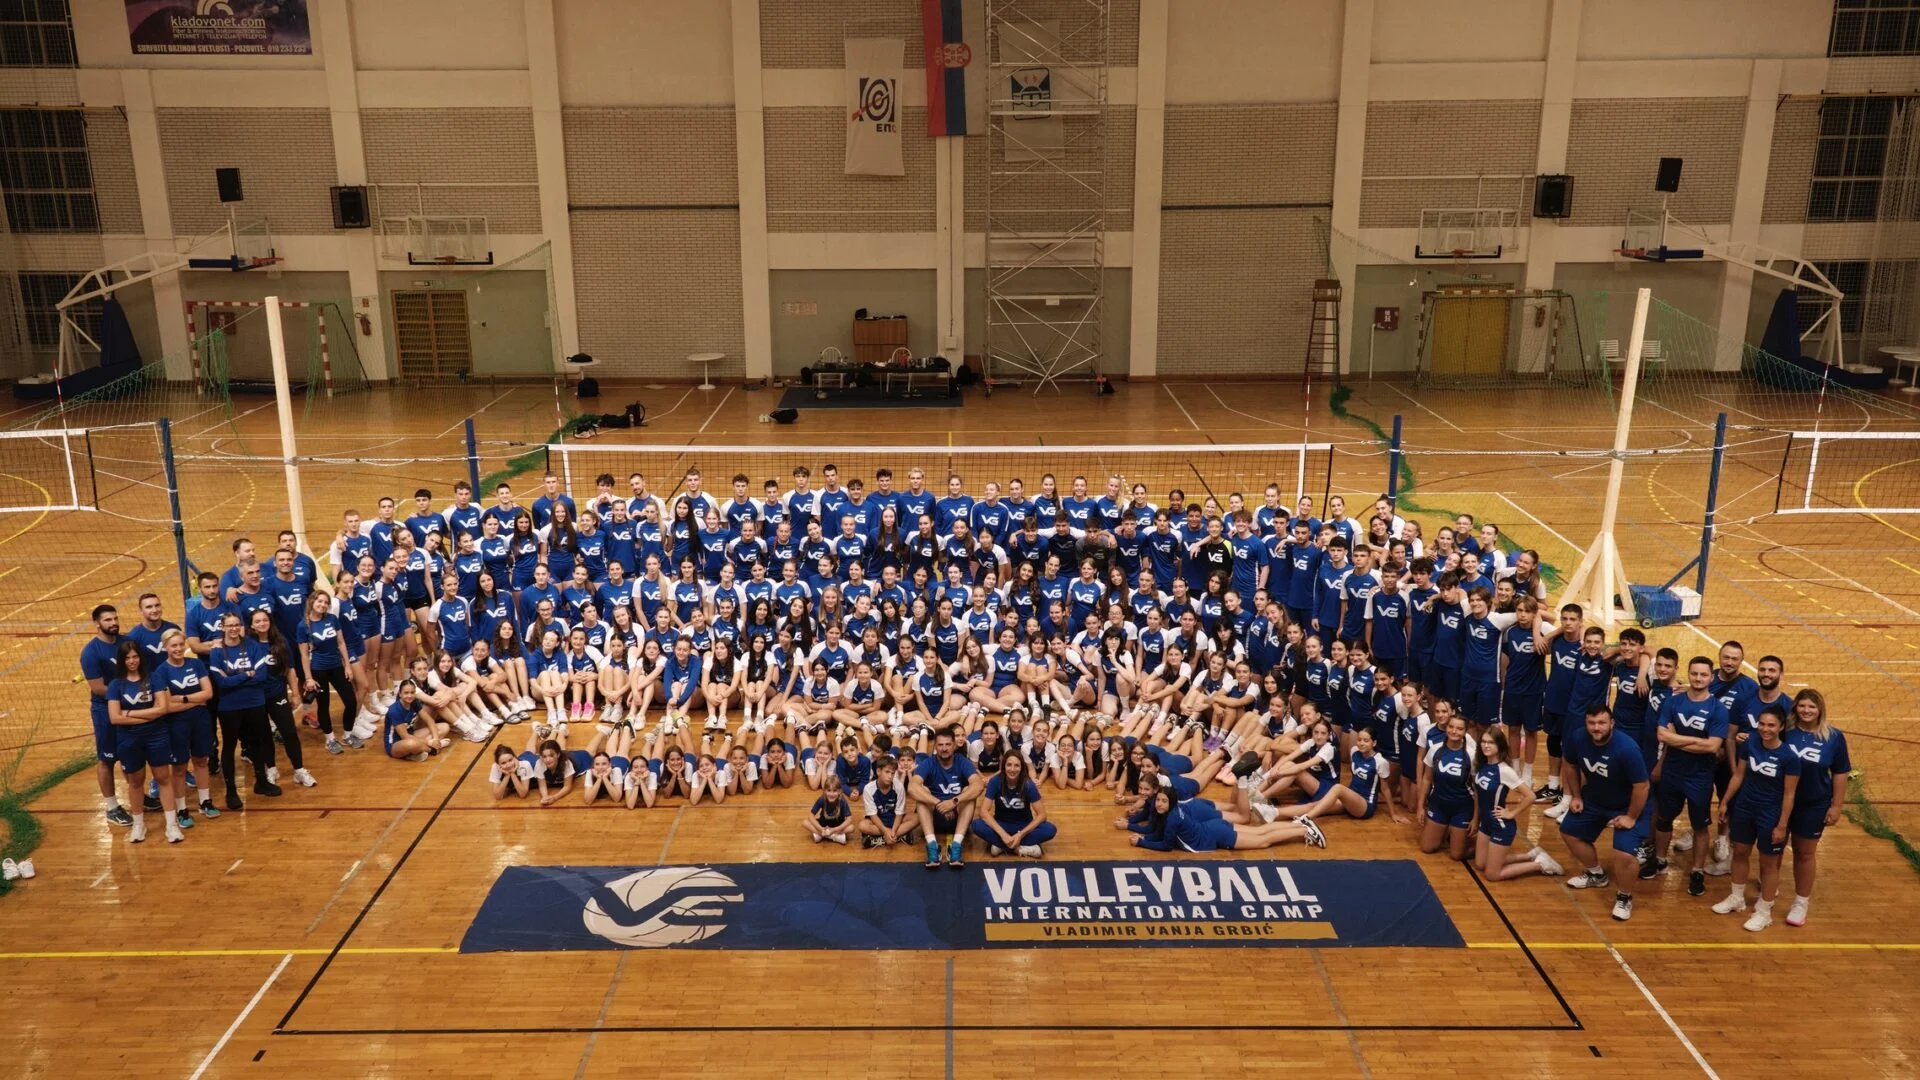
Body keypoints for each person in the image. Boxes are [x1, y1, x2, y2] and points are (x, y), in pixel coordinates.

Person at [1558, 706, 1652, 922]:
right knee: (1569, 832)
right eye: (1591, 723)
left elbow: (1642, 786)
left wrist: (1630, 817)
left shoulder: (1627, 748)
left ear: (1612, 723)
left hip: (1629, 805)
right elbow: (1570, 764)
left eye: (1601, 723)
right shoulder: (1578, 738)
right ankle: (1596, 874)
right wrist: (1576, 796)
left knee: (1625, 855)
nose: (1596, 728)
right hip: (1595, 799)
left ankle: (1624, 897)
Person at [1712, 705, 1801, 932]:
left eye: (1771, 725)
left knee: (1768, 864)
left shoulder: (1789, 758)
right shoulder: (1750, 744)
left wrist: (1782, 825)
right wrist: (1725, 802)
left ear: (1781, 727)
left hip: (1770, 814)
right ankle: (1737, 898)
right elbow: (1739, 775)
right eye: (1762, 724)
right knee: (1740, 852)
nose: (1765, 729)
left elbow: (1790, 794)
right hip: (1744, 808)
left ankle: (1764, 911)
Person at [1648, 656, 1729, 897]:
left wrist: (1678, 740)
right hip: (1672, 772)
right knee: (1663, 818)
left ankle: (1697, 870)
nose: (1698, 678)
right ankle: (1660, 860)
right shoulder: (1674, 702)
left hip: (1700, 777)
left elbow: (1712, 747)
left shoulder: (1718, 709)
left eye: (1703, 675)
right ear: (1689, 673)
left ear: (1711, 678)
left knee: (1700, 826)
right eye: (1694, 674)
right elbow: (1662, 735)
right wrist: (1697, 741)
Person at [1783, 688, 1849, 928]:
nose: (1806, 710)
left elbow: (1840, 773)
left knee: (1804, 853)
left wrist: (1836, 806)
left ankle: (1801, 902)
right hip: (1779, 802)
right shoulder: (1784, 732)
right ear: (1795, 708)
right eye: (1802, 706)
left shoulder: (1833, 737)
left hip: (1813, 804)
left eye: (1811, 707)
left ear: (1820, 709)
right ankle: (1767, 892)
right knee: (1773, 848)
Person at [106, 640, 180, 844]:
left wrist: (129, 712)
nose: (132, 661)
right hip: (129, 740)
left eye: (135, 656)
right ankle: (138, 825)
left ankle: (171, 825)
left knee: (163, 778)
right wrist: (150, 713)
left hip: (156, 736)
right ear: (122, 660)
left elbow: (163, 709)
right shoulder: (116, 685)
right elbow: (114, 718)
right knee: (135, 782)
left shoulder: (154, 678)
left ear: (141, 658)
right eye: (128, 657)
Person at [1473, 727, 1560, 880]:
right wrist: (1476, 818)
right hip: (1485, 823)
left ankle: (1540, 864)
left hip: (1500, 825)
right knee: (1480, 864)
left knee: (1492, 874)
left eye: (1490, 743)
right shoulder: (1482, 765)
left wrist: (1512, 813)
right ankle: (1530, 855)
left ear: (1499, 746)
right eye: (1484, 742)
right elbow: (1479, 797)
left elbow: (1530, 796)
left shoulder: (1505, 771)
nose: (1486, 746)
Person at [81, 604, 134, 826]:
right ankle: (112, 807)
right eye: (107, 620)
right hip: (105, 711)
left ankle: (137, 794)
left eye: (115, 618)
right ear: (97, 624)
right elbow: (98, 688)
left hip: (129, 706)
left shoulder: (125, 643)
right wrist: (126, 698)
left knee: (131, 754)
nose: (113, 623)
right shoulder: (91, 652)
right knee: (107, 759)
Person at [911, 726, 984, 868]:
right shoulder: (929, 763)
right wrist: (939, 803)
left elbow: (978, 785)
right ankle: (932, 846)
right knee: (921, 791)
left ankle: (955, 846)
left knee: (969, 790)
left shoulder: (962, 762)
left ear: (954, 745)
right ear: (935, 747)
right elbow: (912, 788)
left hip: (958, 817)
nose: (944, 748)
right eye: (940, 745)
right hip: (934, 817)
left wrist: (954, 801)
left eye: (948, 744)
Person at [972, 752, 1055, 857]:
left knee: (1050, 829)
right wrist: (1003, 835)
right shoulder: (995, 782)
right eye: (1009, 765)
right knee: (976, 825)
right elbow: (983, 812)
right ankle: (1022, 848)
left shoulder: (1028, 785)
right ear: (1004, 766)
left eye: (1016, 765)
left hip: (1023, 827)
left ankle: (1001, 846)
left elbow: (1042, 815)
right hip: (1001, 825)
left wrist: (1020, 835)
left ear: (1021, 768)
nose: (1012, 769)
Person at [806, 774, 856, 844]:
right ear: (825, 791)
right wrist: (821, 829)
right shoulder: (822, 799)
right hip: (823, 825)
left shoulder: (842, 801)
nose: (831, 794)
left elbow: (849, 819)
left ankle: (821, 835)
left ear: (839, 791)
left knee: (851, 828)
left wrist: (834, 830)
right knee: (805, 823)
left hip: (837, 827)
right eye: (829, 790)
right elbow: (811, 816)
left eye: (834, 791)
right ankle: (835, 837)